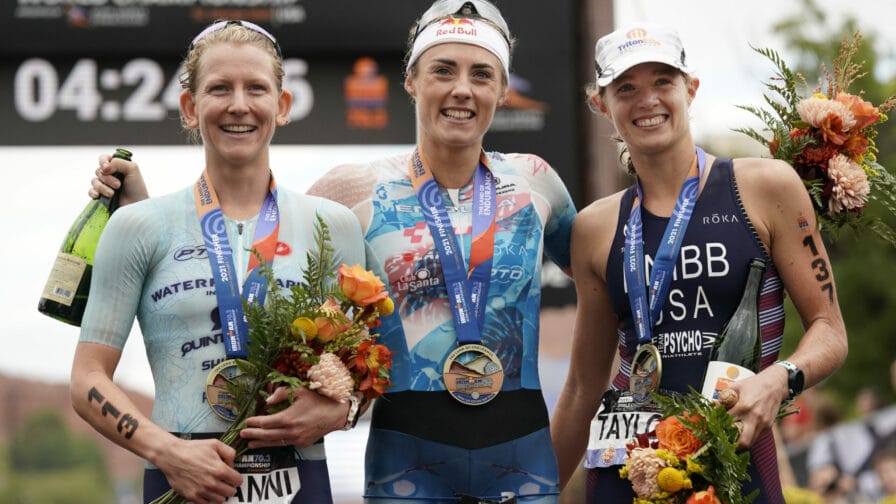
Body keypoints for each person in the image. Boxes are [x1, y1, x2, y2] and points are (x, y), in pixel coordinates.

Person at [87, 2, 578, 502]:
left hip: (520, 463)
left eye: (481, 73)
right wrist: (143, 216)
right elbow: (239, 243)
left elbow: (612, 289)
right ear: (410, 80)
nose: (461, 88)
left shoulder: (537, 183)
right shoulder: (351, 192)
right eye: (443, 70)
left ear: (502, 88)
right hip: (403, 466)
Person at [71, 20, 368, 504]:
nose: (238, 104)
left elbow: (364, 371)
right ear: (190, 108)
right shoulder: (139, 226)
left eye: (256, 88)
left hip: (300, 479)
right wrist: (167, 452)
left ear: (283, 105)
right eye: (219, 89)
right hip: (180, 479)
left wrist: (343, 408)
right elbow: (87, 381)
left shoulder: (333, 225)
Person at [549, 22, 848, 503]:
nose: (647, 100)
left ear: (691, 88)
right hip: (627, 470)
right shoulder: (595, 228)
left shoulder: (766, 187)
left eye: (663, 82)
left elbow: (830, 331)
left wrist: (780, 378)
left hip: (736, 459)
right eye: (626, 88)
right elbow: (584, 387)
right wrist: (535, 493)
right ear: (601, 105)